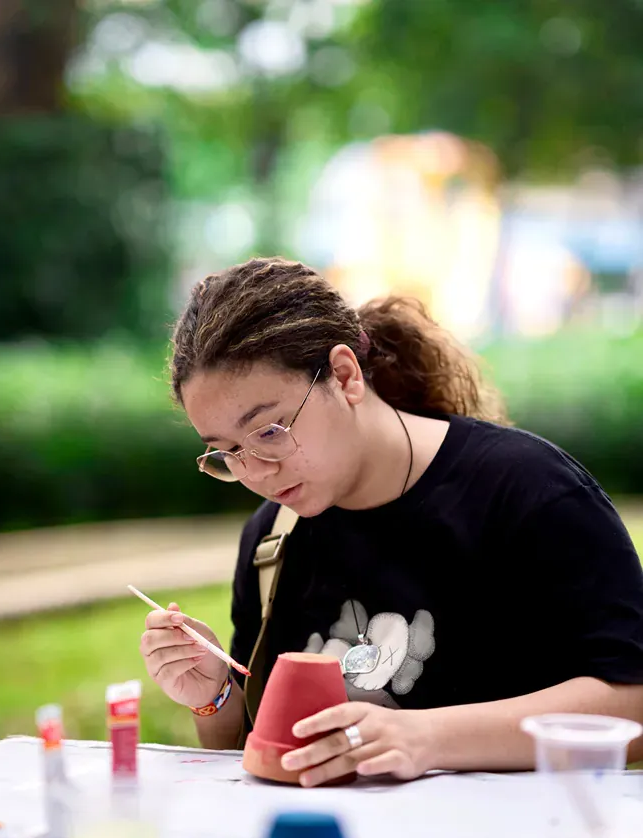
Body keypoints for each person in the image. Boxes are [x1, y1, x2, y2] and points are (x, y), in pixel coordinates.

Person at [139, 256, 643, 785]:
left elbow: (631, 702)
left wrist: (425, 738)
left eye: (268, 432)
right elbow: (262, 753)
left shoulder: (526, 492)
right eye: (227, 452)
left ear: (344, 374)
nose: (256, 473)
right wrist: (215, 696)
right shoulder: (272, 538)